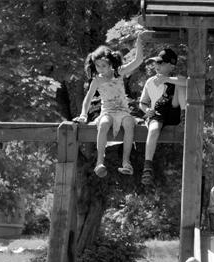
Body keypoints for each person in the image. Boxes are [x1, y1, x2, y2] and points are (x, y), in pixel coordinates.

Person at [75, 32, 148, 178]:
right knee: (103, 124)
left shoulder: (119, 72)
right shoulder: (97, 80)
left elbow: (138, 60)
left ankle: (126, 162)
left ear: (110, 64)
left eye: (103, 65)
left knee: (129, 124)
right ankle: (99, 163)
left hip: (123, 111)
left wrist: (139, 41)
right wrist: (83, 114)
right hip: (107, 111)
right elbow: (88, 98)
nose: (100, 69)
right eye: (97, 66)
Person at [138, 47, 187, 185]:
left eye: (161, 63)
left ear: (171, 66)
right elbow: (142, 103)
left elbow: (188, 82)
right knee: (153, 129)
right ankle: (147, 165)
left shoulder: (175, 78)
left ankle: (185, 117)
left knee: (181, 81)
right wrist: (146, 110)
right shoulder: (150, 81)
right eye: (156, 62)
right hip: (157, 113)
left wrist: (167, 79)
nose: (157, 65)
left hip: (174, 111)